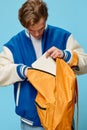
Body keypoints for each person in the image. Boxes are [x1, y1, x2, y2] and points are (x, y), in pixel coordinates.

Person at [0, 0, 87, 130]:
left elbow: (85, 64)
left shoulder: (64, 37)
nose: (36, 34)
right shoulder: (13, 46)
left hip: (61, 116)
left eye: (41, 29)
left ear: (45, 18)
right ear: (24, 26)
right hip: (31, 121)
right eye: (31, 30)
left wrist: (66, 55)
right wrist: (21, 71)